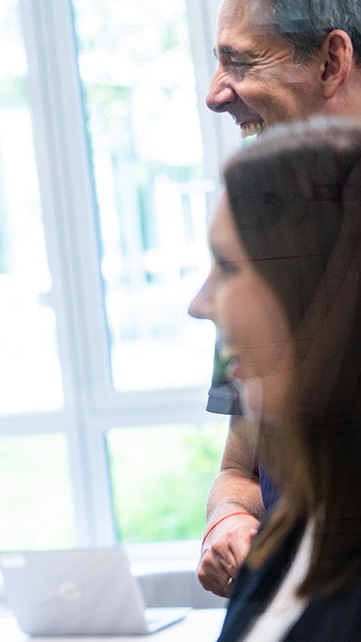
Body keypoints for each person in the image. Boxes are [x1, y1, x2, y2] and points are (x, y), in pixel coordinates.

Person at [197, 0, 361, 597]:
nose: (216, 95)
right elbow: (240, 468)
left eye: (240, 61)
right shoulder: (259, 257)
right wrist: (230, 517)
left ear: (331, 62)